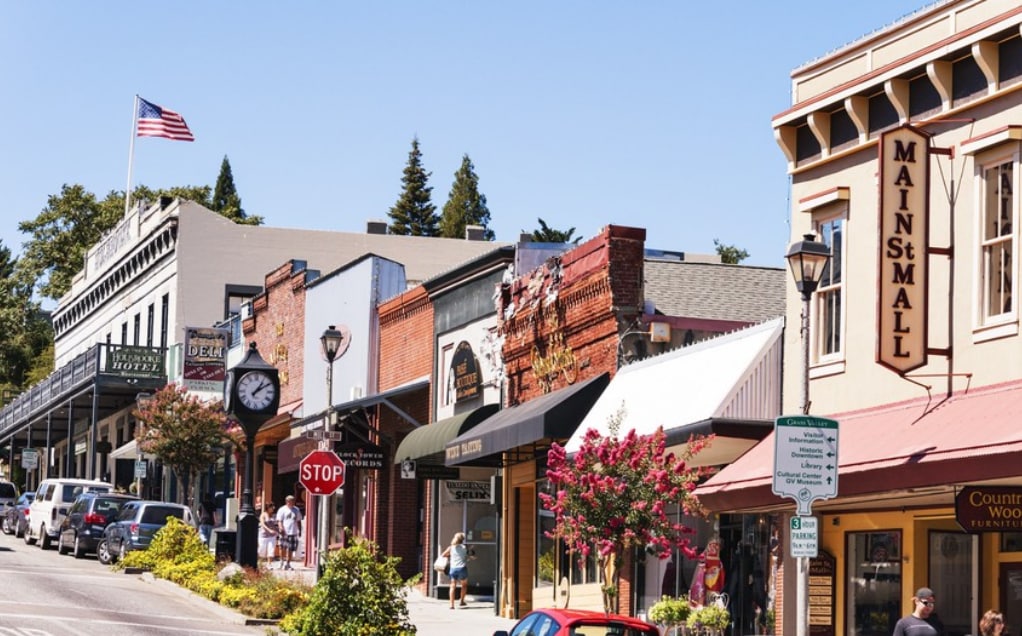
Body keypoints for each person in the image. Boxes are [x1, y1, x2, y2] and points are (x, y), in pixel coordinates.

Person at [443, 532, 471, 609]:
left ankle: (451, 605)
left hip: (453, 568)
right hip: (462, 568)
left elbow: (443, 555)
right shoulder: (465, 547)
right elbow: (469, 555)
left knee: (452, 586)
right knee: (464, 585)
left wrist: (451, 555)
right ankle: (462, 601)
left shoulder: (451, 547)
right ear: (463, 539)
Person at [275, 495, 303, 570]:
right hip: (284, 532)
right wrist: (281, 528)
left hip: (293, 532)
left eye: (293, 501)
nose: (293, 502)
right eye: (291, 501)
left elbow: (299, 521)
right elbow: (279, 520)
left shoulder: (296, 510)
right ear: (287, 501)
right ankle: (281, 562)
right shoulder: (282, 509)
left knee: (290, 548)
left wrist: (300, 530)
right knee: (282, 547)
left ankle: (288, 564)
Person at [258, 502, 279, 568]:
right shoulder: (263, 515)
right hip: (263, 535)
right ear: (268, 508)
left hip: (272, 536)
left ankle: (269, 564)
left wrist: (278, 531)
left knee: (271, 550)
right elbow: (262, 524)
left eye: (273, 507)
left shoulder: (274, 515)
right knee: (262, 550)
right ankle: (259, 562)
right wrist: (269, 530)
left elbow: (276, 525)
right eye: (272, 507)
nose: (273, 508)